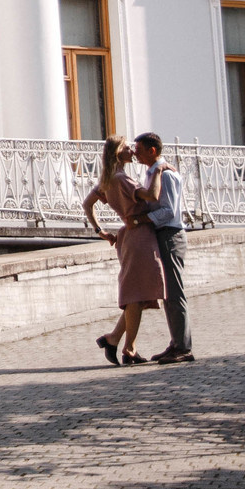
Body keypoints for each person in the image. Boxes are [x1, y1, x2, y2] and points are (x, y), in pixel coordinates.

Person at [80, 136, 164, 365]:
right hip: (139, 236)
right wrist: (159, 170)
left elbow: (87, 204)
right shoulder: (121, 179)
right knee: (137, 295)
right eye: (128, 148)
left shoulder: (108, 179)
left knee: (138, 294)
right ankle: (129, 348)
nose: (132, 151)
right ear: (118, 153)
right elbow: (151, 195)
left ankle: (115, 339)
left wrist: (101, 231)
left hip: (129, 235)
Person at [133, 132, 195, 364]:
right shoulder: (154, 173)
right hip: (163, 235)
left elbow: (168, 211)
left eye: (139, 149)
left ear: (153, 150)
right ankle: (176, 343)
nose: (135, 153)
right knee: (168, 293)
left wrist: (142, 219)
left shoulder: (166, 175)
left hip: (170, 235)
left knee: (175, 292)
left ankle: (183, 347)